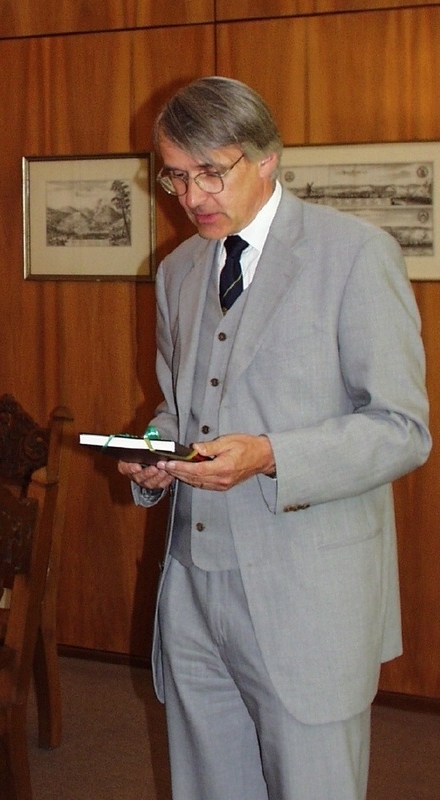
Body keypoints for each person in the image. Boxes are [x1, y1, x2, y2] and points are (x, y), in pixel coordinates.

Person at [118, 77, 431, 800]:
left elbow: (401, 430)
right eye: (174, 176)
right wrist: (152, 452)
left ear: (266, 159)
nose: (192, 195)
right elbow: (176, 407)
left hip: (306, 596)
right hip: (193, 590)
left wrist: (271, 455)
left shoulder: (354, 255)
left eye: (210, 173)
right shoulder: (176, 272)